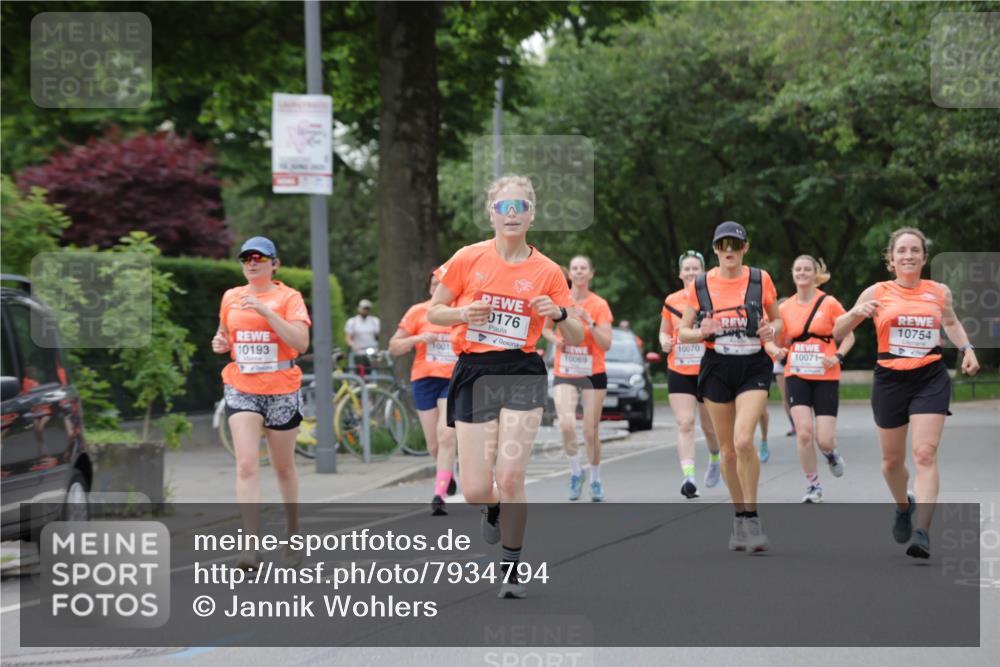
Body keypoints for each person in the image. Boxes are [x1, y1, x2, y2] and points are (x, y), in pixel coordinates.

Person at [428, 175, 583, 599]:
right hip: (475, 371)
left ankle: (512, 568)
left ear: (532, 214)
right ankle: (493, 508)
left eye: (520, 207)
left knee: (511, 474)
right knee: (478, 487)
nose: (511, 214)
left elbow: (575, 337)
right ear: (491, 213)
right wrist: (463, 314)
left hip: (521, 371)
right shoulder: (467, 258)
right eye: (503, 207)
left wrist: (558, 314)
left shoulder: (548, 271)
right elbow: (434, 312)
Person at [834, 228, 979, 558]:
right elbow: (837, 331)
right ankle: (903, 506)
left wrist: (967, 348)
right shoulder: (877, 291)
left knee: (925, 453)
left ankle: (922, 531)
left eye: (916, 250)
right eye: (902, 251)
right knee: (891, 463)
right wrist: (855, 313)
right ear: (891, 258)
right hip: (890, 379)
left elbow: (952, 323)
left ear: (925, 258)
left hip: (930, 376)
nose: (909, 255)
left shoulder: (938, 291)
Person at [678, 221, 781, 554]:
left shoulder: (760, 279)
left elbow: (778, 320)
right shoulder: (701, 285)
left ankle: (752, 517)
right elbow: (684, 332)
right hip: (717, 367)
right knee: (728, 449)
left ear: (745, 248)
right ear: (715, 250)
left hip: (753, 364)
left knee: (743, 439)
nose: (729, 251)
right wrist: (703, 330)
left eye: (735, 245)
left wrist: (771, 330)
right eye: (723, 246)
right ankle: (738, 516)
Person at [211, 237, 311, 569]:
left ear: (274, 264)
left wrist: (268, 312)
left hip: (281, 387)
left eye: (258, 257)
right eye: (245, 259)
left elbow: (301, 342)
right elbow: (225, 334)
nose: (251, 263)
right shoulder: (231, 297)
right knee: (246, 465)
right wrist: (220, 342)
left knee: (283, 467)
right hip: (242, 385)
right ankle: (250, 547)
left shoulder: (289, 298)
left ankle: (294, 532)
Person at [765, 256, 854, 503]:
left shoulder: (830, 303)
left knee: (823, 438)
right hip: (797, 375)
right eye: (798, 269)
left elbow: (849, 336)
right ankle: (813, 486)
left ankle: (831, 454)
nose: (802, 273)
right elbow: (774, 339)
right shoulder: (784, 308)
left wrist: (837, 356)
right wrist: (777, 350)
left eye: (807, 269)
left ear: (816, 274)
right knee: (804, 434)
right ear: (793, 274)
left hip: (825, 375)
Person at [542, 255, 614, 502]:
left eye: (584, 268)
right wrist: (557, 340)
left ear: (591, 273)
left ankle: (595, 478)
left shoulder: (600, 304)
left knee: (590, 431)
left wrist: (590, 322)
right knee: (566, 424)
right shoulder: (561, 300)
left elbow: (606, 344)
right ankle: (576, 472)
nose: (580, 272)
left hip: (592, 372)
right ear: (570, 274)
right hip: (566, 371)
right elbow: (544, 329)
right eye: (575, 268)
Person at [389, 273, 459, 516]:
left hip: (453, 380)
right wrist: (418, 338)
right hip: (424, 380)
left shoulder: (461, 312)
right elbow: (394, 347)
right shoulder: (418, 311)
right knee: (433, 444)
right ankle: (446, 473)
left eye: (443, 285)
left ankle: (439, 494)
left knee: (446, 434)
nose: (437, 287)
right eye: (434, 284)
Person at [659, 250, 721, 499]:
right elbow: (664, 331)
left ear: (704, 272)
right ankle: (689, 477)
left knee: (709, 427)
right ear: (680, 273)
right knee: (685, 423)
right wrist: (664, 341)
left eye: (696, 268)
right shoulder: (672, 300)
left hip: (707, 368)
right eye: (687, 269)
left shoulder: (713, 299)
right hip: (679, 369)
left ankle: (715, 458)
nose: (691, 272)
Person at [345, 298, 380, 372]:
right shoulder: (352, 322)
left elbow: (378, 335)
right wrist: (352, 345)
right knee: (359, 370)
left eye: (367, 309)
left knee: (373, 371)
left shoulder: (375, 321)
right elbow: (348, 337)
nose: (365, 311)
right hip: (359, 352)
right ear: (359, 308)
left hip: (372, 351)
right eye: (364, 308)